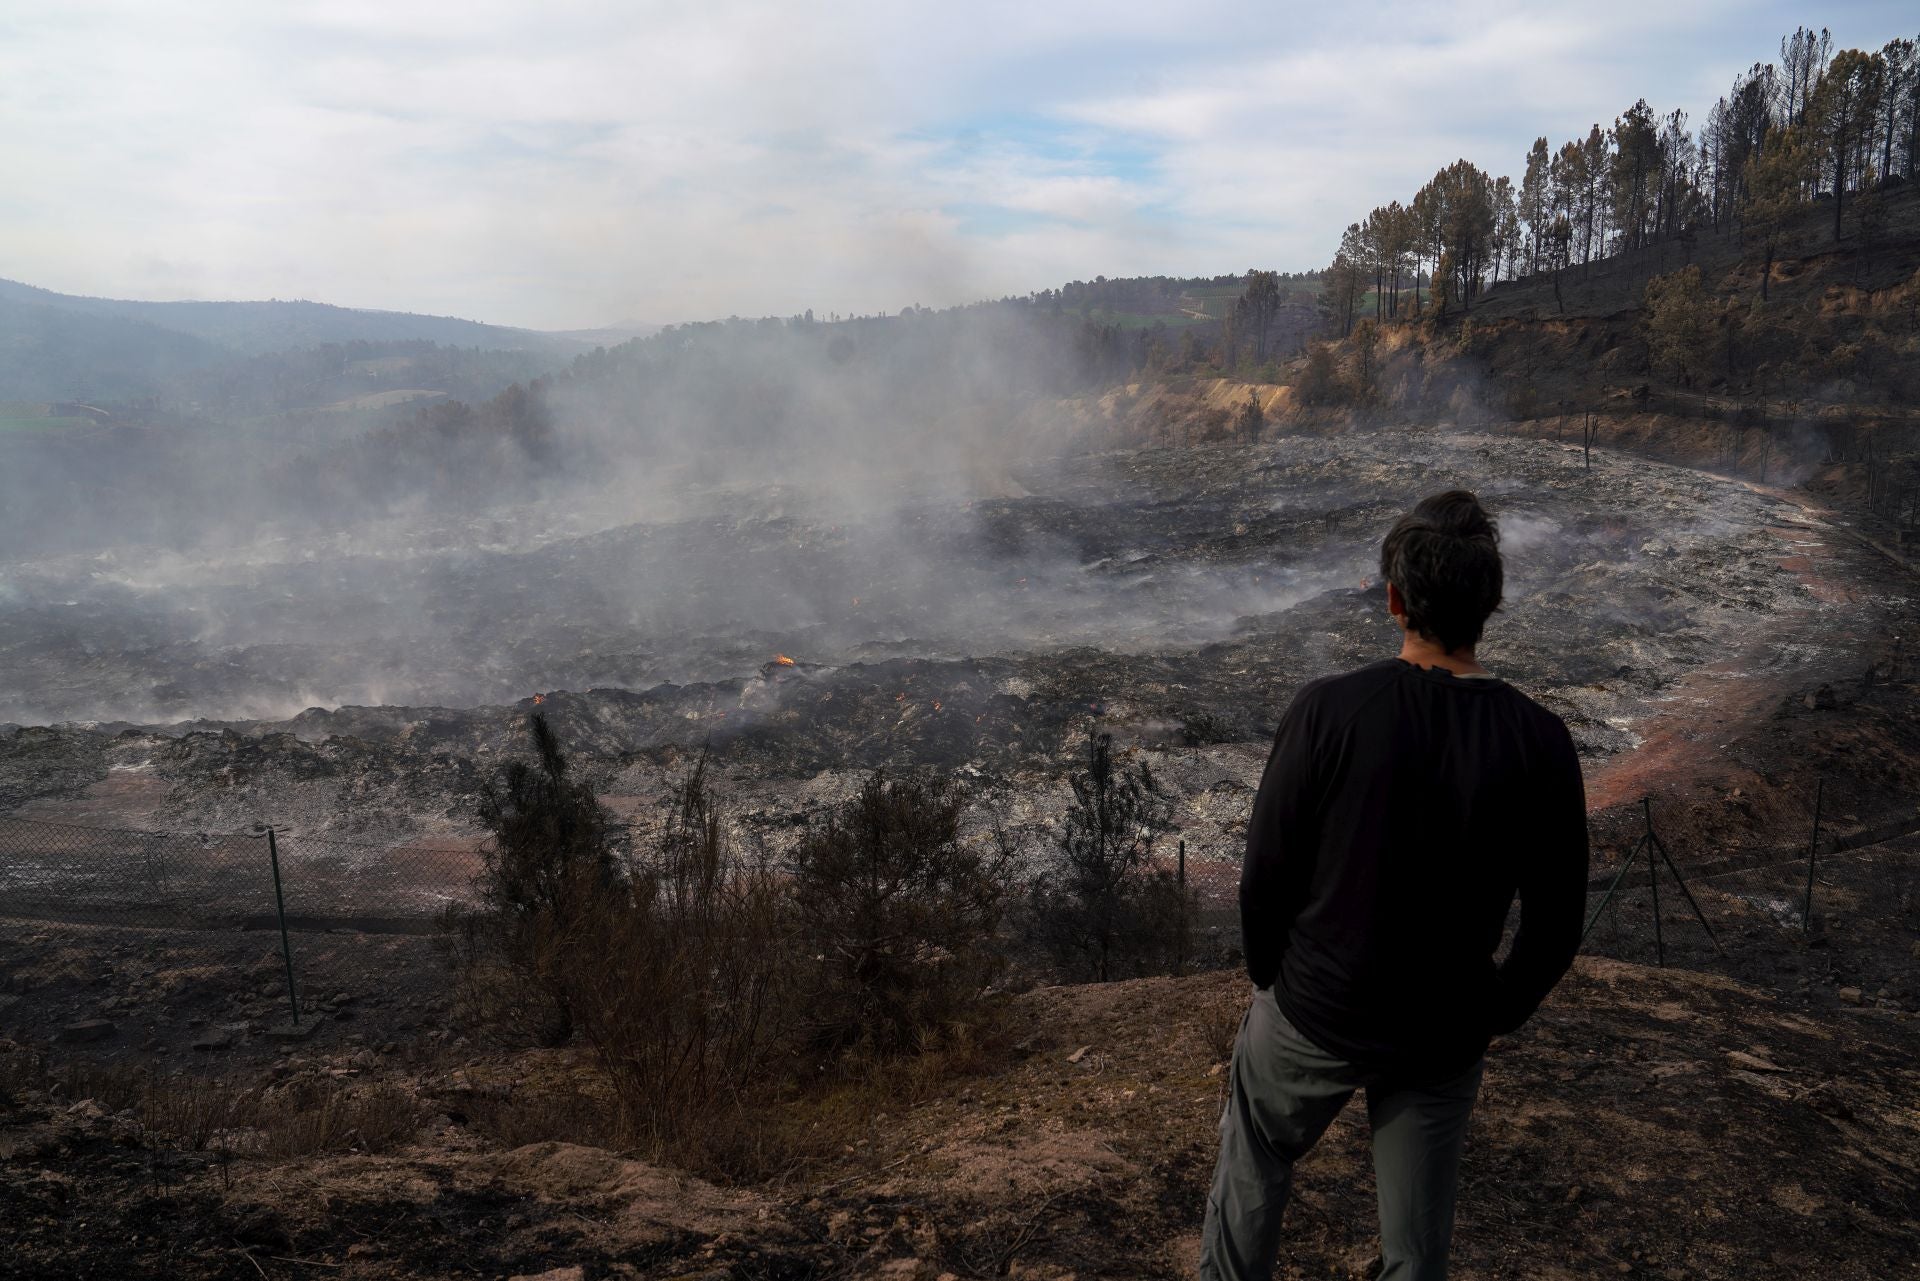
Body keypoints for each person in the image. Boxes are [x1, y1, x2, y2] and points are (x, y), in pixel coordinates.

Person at [1199, 489, 1589, 1281]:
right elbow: (1555, 925)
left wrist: (1272, 974)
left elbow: (1264, 875)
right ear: (1492, 604)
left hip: (1316, 1008)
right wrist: (1492, 1010)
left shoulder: (1329, 711)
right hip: (1443, 1033)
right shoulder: (1541, 743)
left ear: (1393, 599)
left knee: (1259, 1151)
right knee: (1417, 1248)